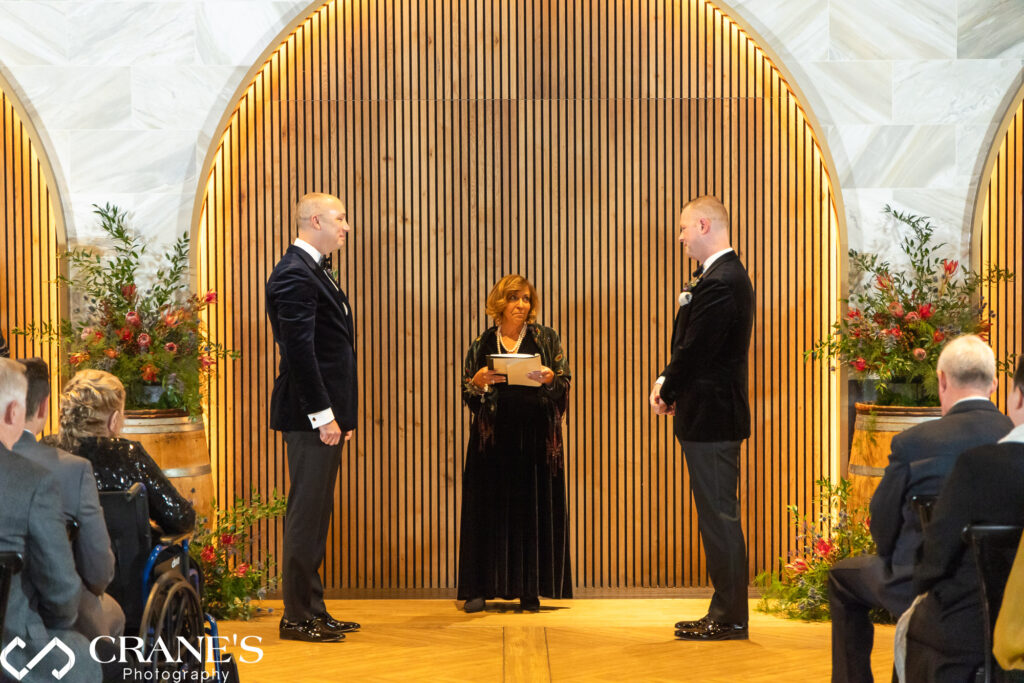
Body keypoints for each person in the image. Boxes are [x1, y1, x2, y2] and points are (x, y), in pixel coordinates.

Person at [828, 334, 1012, 682]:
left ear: (941, 380)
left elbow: (882, 528)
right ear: (995, 383)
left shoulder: (914, 442)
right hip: (1004, 590)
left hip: (919, 582)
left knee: (842, 578)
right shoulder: (1012, 437)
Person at [649, 195, 754, 641]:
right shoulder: (722, 278)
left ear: (705, 225)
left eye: (683, 229)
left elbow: (695, 351)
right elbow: (693, 349)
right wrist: (670, 383)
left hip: (712, 418)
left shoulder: (721, 282)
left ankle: (730, 615)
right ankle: (723, 608)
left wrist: (666, 387)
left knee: (719, 517)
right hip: (708, 414)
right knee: (715, 515)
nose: (680, 237)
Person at [266, 192, 359, 643]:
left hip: (323, 416)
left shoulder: (312, 270)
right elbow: (300, 353)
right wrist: (324, 416)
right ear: (316, 220)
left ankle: (314, 608)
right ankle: (296, 617)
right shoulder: (293, 274)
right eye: (340, 218)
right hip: (311, 417)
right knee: (306, 513)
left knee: (317, 512)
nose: (346, 227)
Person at [457, 274, 572, 612]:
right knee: (485, 512)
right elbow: (470, 394)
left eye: (525, 298)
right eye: (513, 298)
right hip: (491, 443)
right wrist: (476, 383)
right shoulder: (482, 343)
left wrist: (551, 378)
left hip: (535, 440)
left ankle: (529, 589)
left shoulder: (545, 338)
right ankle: (478, 588)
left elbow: (563, 383)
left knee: (529, 511)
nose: (521, 305)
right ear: (500, 303)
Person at [906, 357, 1024, 681]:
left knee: (913, 626)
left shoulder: (979, 466)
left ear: (1017, 398)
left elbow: (932, 562)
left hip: (982, 635)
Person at [0, 358, 101, 683]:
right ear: (13, 412)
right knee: (84, 655)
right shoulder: (33, 482)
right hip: (13, 655)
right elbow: (62, 596)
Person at [12, 358, 125, 640]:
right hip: (49, 622)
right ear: (44, 406)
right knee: (113, 614)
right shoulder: (71, 470)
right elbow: (98, 573)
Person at [54, 369, 196, 535]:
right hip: (124, 559)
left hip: (57, 559)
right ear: (114, 420)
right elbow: (179, 518)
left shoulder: (47, 450)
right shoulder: (128, 454)